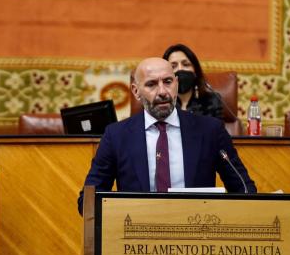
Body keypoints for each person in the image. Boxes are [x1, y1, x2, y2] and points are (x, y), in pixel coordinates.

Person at [77, 57, 256, 214]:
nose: (162, 91)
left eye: (168, 81)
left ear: (176, 84)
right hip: (137, 240)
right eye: (151, 84)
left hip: (197, 238)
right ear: (136, 91)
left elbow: (244, 189)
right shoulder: (116, 136)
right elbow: (88, 201)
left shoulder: (210, 131)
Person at [162, 43, 223, 119]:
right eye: (173, 66)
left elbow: (218, 129)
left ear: (195, 71)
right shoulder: (160, 103)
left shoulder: (212, 100)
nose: (180, 69)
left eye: (186, 64)